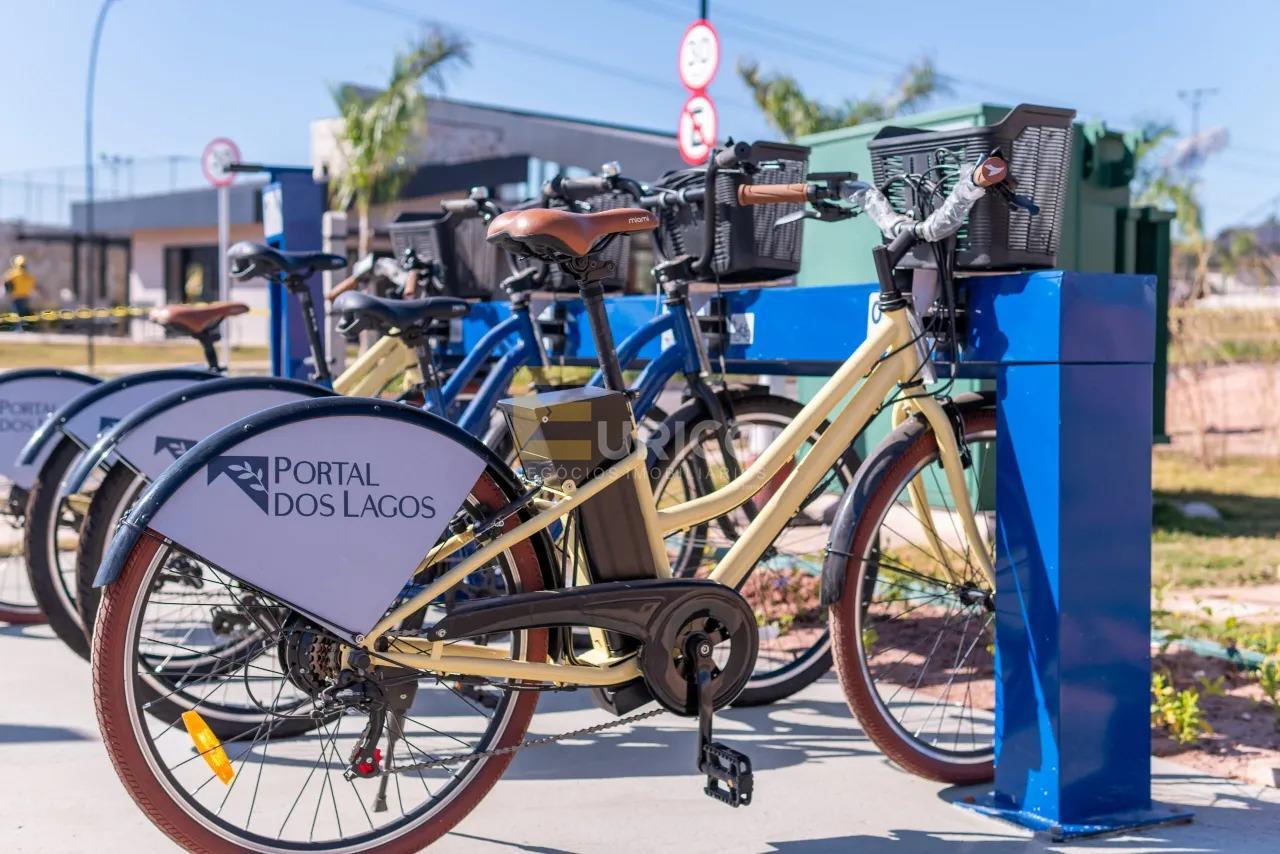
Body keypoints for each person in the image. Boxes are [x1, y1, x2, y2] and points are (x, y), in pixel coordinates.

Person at [3, 255, 37, 331]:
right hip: (25, 296)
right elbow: (34, 284)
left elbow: (6, 282)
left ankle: (18, 329)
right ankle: (22, 328)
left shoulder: (13, 274)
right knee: (23, 313)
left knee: (17, 314)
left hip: (16, 297)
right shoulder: (28, 275)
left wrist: (8, 292)